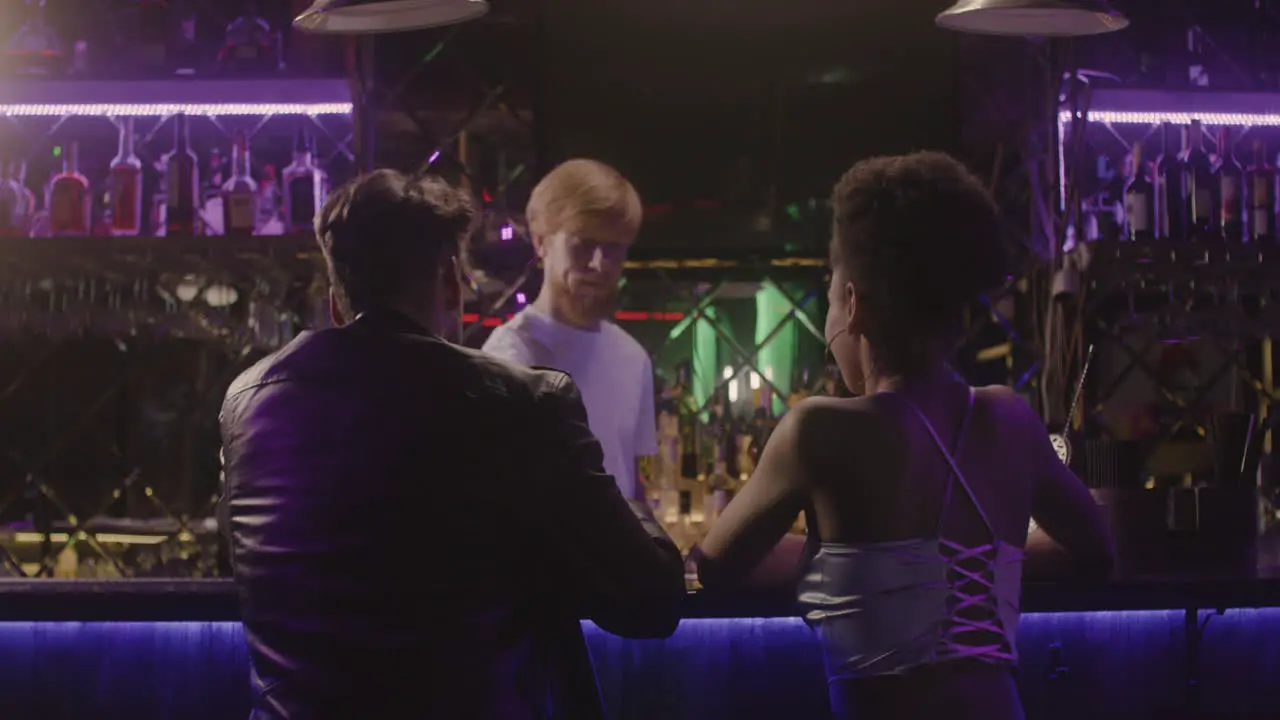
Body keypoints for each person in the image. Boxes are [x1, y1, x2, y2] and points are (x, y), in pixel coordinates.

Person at [218, 169, 685, 720]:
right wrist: (625, 503)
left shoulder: (244, 401)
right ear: (449, 281)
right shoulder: (521, 399)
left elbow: (241, 559)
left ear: (338, 300)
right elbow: (649, 602)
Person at [696, 152, 1115, 720]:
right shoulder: (1011, 419)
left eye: (830, 283)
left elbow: (716, 567)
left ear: (854, 305)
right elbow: (1096, 547)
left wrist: (841, 571)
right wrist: (984, 559)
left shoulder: (816, 430)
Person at [482, 159, 656, 502]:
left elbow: (634, 490)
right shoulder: (507, 358)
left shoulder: (633, 359)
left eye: (614, 248)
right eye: (584, 243)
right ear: (541, 241)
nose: (599, 263)